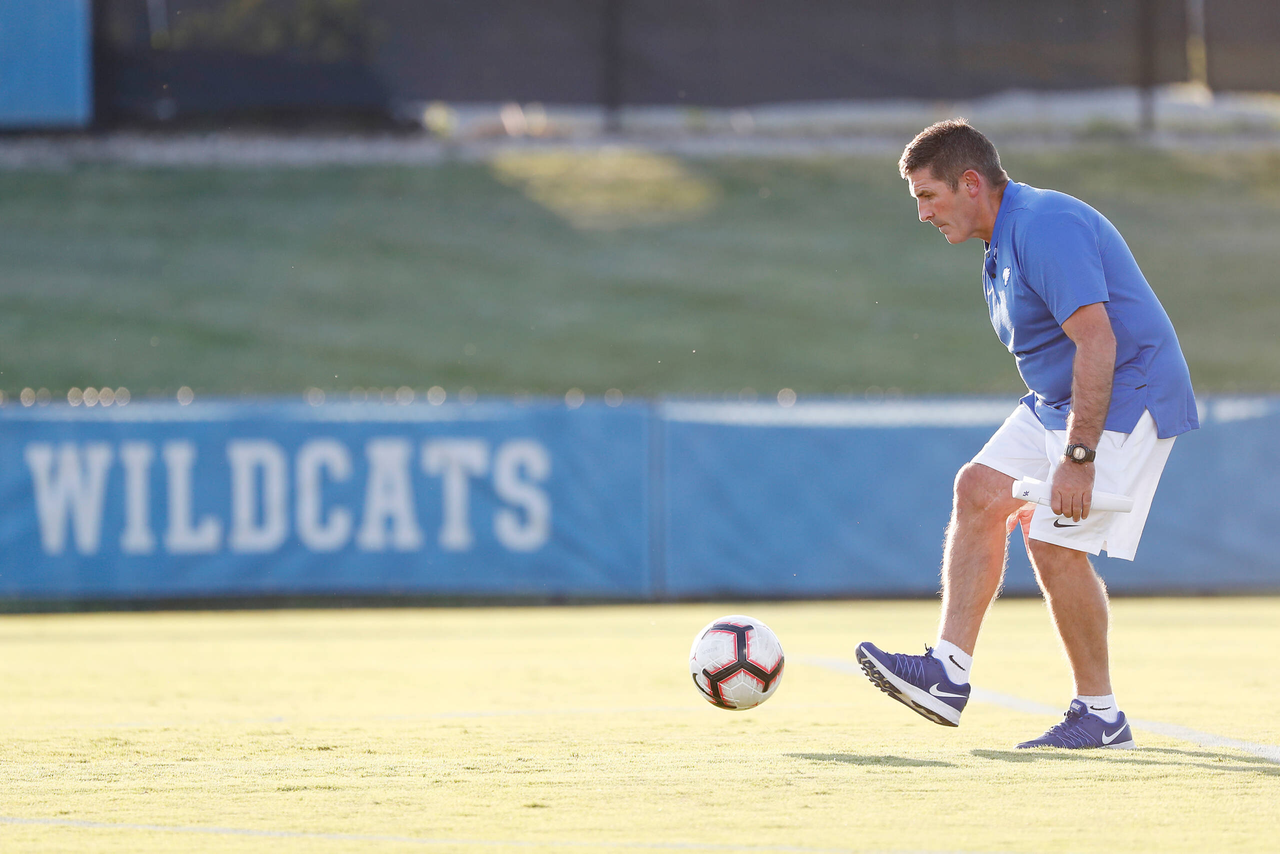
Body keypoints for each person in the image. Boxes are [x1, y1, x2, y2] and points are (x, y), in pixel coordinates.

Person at [856, 119, 1198, 749]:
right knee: (979, 490)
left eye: (928, 197)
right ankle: (947, 675)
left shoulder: (1043, 225)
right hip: (1056, 400)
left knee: (1053, 542)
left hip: (1129, 395)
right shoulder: (1000, 237)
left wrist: (1077, 457)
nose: (923, 214)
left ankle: (1099, 715)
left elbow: (1099, 341)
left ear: (970, 183)